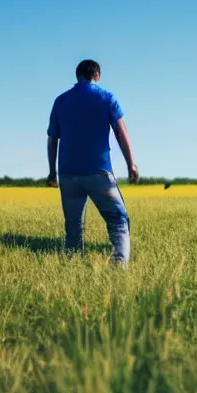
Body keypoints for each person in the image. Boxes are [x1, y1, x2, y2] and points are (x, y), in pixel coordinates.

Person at [46, 59, 139, 264]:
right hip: (99, 173)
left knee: (73, 226)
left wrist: (52, 172)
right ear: (96, 76)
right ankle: (119, 268)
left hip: (68, 173)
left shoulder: (60, 101)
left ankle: (71, 267)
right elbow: (121, 132)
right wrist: (131, 164)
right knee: (118, 221)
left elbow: (53, 139)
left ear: (77, 76)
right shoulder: (106, 97)